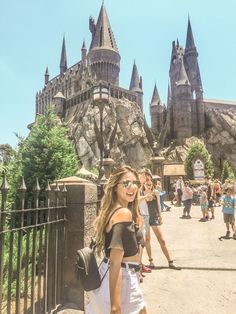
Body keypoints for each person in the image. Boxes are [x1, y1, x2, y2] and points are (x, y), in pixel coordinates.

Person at [85, 166, 147, 314]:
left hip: (126, 275)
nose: (132, 187)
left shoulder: (115, 209)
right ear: (114, 187)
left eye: (135, 183)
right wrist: (115, 307)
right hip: (123, 278)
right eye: (126, 183)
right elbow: (115, 263)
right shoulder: (123, 213)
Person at [143, 174, 181, 270]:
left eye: (150, 184)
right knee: (147, 239)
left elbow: (159, 204)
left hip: (154, 217)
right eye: (147, 184)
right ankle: (151, 261)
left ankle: (170, 261)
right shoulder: (141, 193)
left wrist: (160, 215)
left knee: (162, 240)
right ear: (144, 185)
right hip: (145, 218)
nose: (149, 186)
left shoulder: (155, 192)